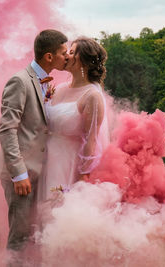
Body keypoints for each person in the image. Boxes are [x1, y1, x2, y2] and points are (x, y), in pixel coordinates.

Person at [0, 29, 68, 265]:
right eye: (63, 53)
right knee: (20, 237)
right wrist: (19, 174)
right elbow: (7, 130)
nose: (66, 57)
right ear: (49, 57)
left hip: (41, 172)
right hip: (23, 175)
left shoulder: (45, 81)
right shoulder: (20, 80)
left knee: (36, 234)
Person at [37, 37, 110, 202]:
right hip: (47, 158)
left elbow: (92, 139)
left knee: (58, 210)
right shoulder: (60, 88)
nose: (66, 56)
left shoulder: (92, 96)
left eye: (71, 52)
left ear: (83, 61)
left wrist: (83, 176)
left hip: (68, 162)